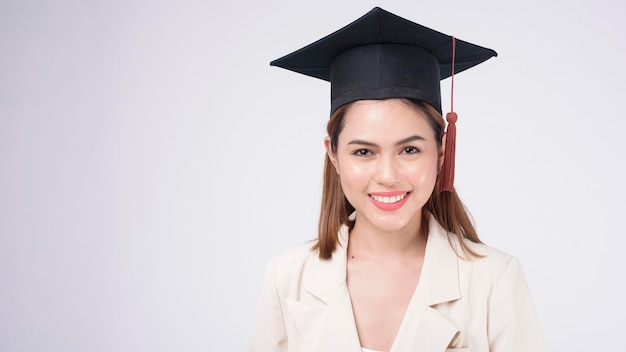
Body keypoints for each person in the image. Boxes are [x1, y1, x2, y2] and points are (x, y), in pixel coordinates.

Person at [248, 7, 546, 352]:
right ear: (333, 154)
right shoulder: (289, 277)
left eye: (409, 150)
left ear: (441, 152)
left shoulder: (495, 279)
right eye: (363, 152)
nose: (387, 176)